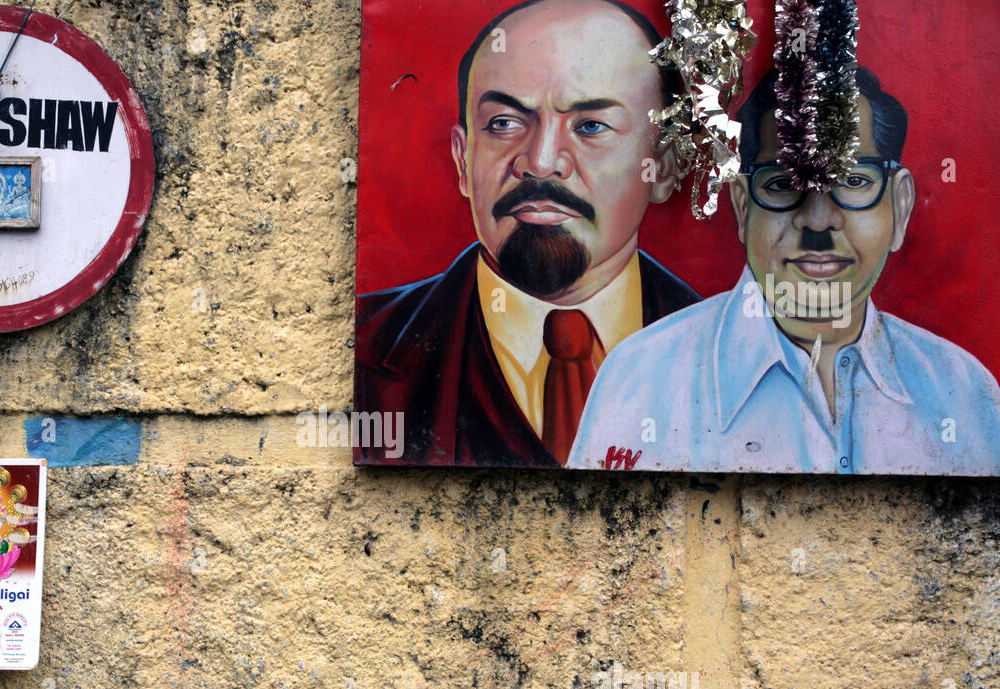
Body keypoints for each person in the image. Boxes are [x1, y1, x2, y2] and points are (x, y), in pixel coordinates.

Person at [570, 67, 1000, 475]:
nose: (817, 220)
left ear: (900, 206)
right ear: (742, 207)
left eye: (852, 182)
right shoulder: (640, 381)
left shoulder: (964, 392)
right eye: (781, 183)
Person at [355, 0, 699, 468]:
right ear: (462, 159)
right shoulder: (367, 350)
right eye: (505, 123)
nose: (539, 161)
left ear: (662, 165)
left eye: (590, 126)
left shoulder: (730, 361)